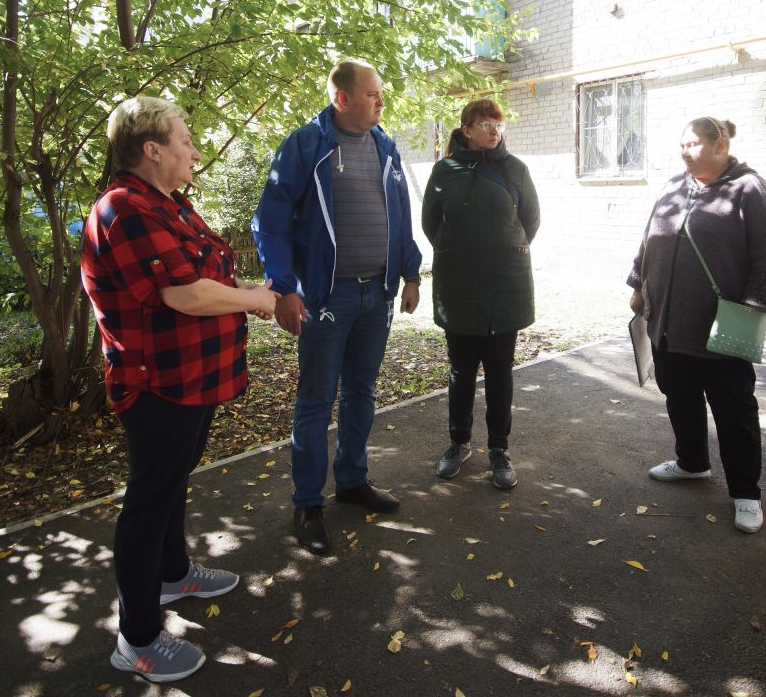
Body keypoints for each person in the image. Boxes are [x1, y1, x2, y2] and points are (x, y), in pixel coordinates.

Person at [82, 96, 280, 683]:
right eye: (184, 139)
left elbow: (209, 274)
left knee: (171, 482)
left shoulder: (169, 204)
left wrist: (248, 287)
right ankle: (137, 637)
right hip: (157, 386)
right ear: (153, 149)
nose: (194, 150)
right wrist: (256, 298)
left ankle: (173, 574)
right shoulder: (125, 211)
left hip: (192, 380)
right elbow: (186, 294)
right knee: (148, 501)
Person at [252, 59, 422, 556]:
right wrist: (284, 287)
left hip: (378, 294)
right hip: (328, 297)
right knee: (316, 399)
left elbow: (401, 217)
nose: (381, 102)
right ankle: (308, 502)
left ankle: (352, 480)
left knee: (362, 391)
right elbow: (272, 221)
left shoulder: (384, 146)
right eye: (372, 94)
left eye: (381, 94)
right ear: (342, 97)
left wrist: (411, 274)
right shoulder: (306, 145)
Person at [626, 118, 766, 533]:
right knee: (678, 395)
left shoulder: (749, 189)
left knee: (733, 409)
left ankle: (746, 493)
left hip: (723, 326)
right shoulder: (673, 186)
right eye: (681, 144)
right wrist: (638, 286)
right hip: (669, 319)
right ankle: (691, 462)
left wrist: (756, 308)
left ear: (720, 144)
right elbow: (649, 238)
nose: (684, 152)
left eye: (693, 144)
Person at [421, 99, 541, 488]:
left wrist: (503, 251)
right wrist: (459, 251)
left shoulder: (515, 170)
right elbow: (431, 223)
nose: (493, 130)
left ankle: (499, 449)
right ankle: (459, 443)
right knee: (460, 372)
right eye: (485, 124)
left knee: (501, 372)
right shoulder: (445, 170)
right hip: (458, 287)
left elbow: (530, 221)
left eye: (497, 125)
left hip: (506, 285)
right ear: (466, 129)